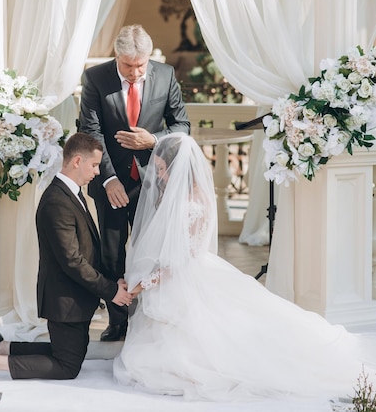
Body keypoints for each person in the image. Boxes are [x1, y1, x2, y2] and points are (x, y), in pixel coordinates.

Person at [113, 133, 376, 403]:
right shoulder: (184, 196)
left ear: (178, 167)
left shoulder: (192, 203)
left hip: (185, 275)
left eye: (161, 169)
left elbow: (179, 260)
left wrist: (142, 285)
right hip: (185, 271)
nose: (159, 176)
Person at [0, 133, 133, 380]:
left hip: (76, 298)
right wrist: (110, 290)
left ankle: (1, 346)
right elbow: (72, 261)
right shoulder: (56, 200)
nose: (97, 172)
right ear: (76, 161)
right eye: (94, 165)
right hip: (65, 299)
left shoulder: (72, 193)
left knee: (68, 353)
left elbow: (86, 251)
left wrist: (111, 283)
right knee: (67, 367)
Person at [79, 24, 190, 342]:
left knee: (151, 252)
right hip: (111, 180)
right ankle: (118, 321)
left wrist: (152, 139)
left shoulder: (165, 75)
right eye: (128, 65)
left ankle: (151, 319)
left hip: (153, 182)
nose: (134, 72)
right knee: (112, 255)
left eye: (140, 65)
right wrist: (109, 178)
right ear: (117, 57)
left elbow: (182, 125)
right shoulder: (96, 78)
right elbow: (91, 133)